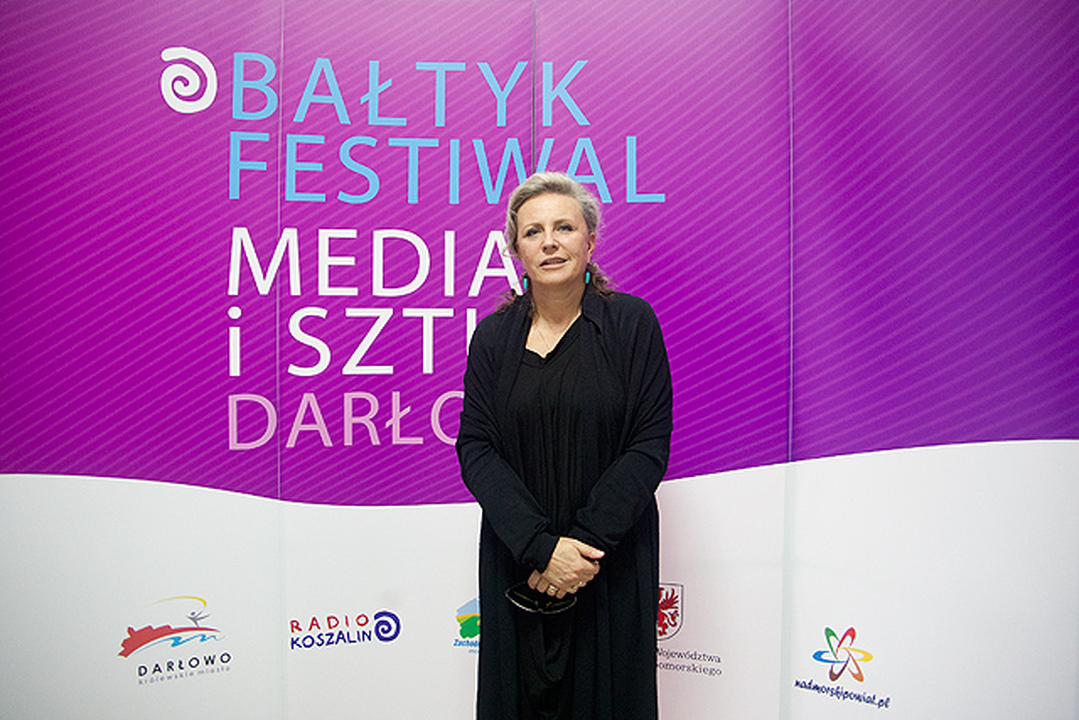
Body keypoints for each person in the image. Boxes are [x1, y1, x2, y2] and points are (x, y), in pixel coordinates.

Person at [456, 172, 673, 719]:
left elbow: (648, 443)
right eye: (533, 232)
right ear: (516, 250)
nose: (549, 242)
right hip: (519, 563)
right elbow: (476, 447)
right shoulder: (492, 337)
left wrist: (578, 550)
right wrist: (539, 549)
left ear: (589, 242)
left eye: (564, 228)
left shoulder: (632, 324)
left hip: (608, 562)